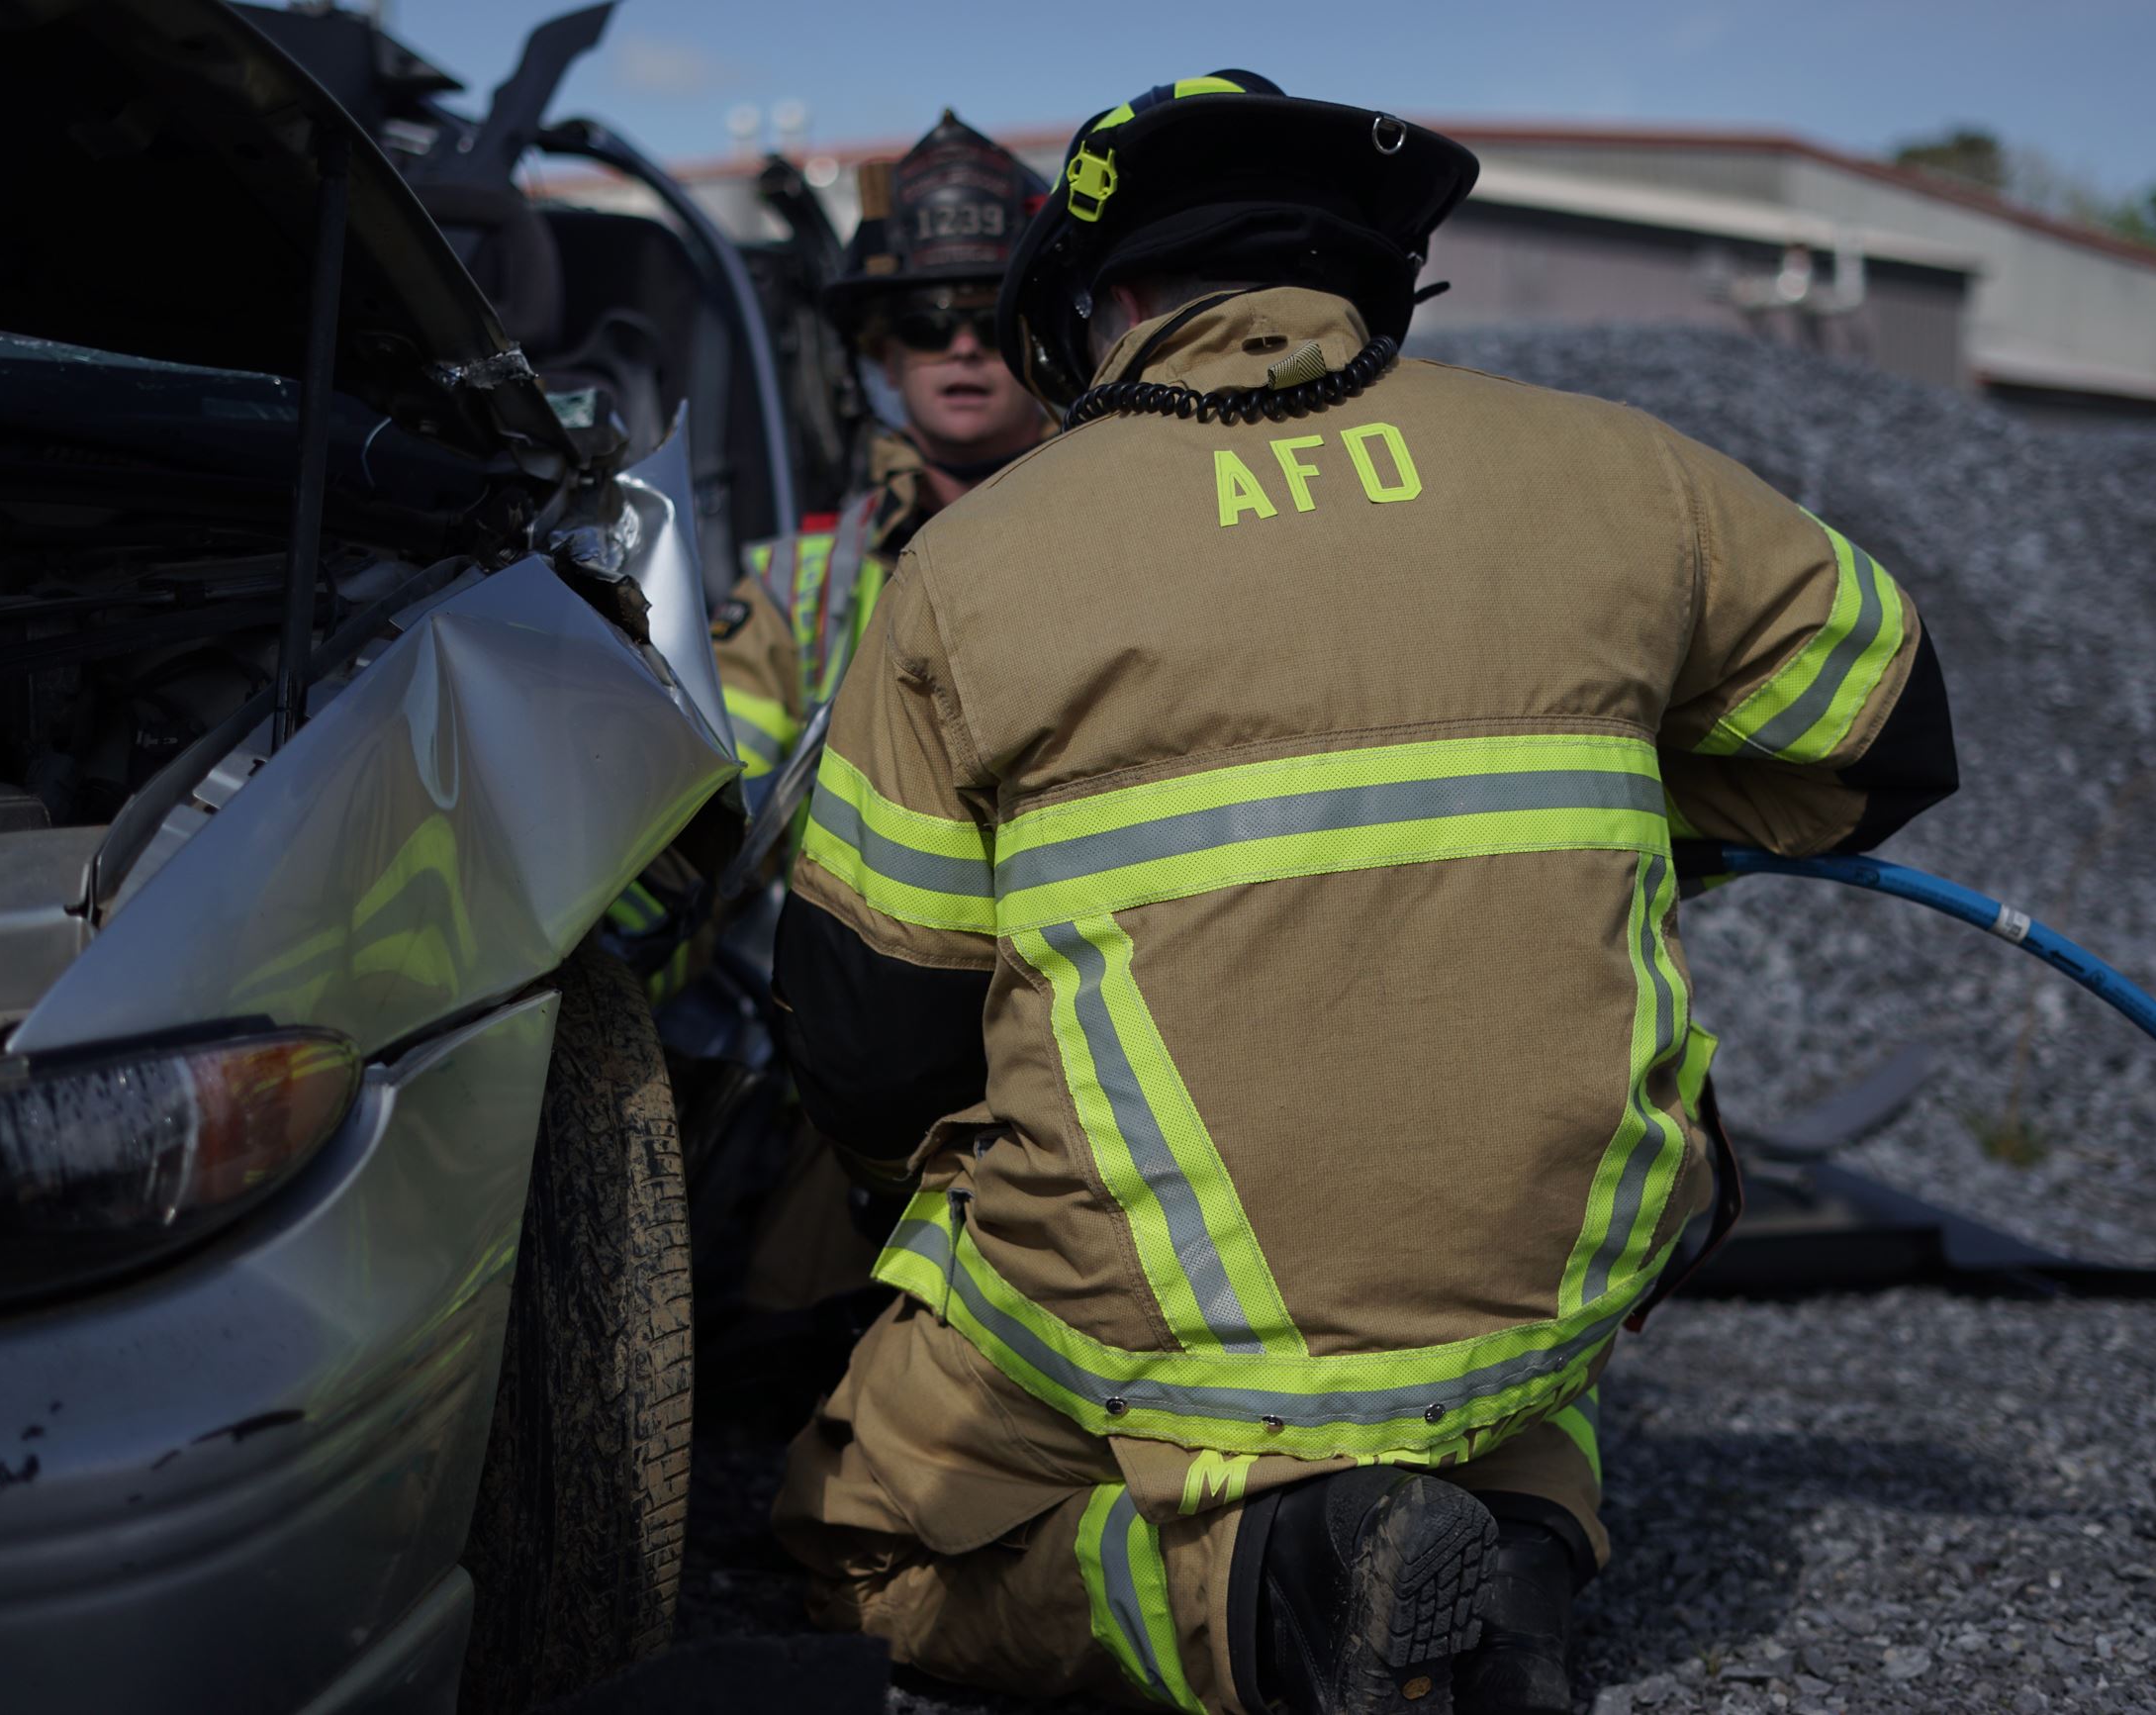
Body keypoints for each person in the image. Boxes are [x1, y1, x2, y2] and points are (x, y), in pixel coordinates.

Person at [767, 72, 1957, 1715]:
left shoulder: (968, 573)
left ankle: (1265, 1596)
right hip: (1554, 1275)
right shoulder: (1633, 479)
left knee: (857, 1539)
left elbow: (876, 1037)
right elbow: (1885, 738)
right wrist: (1599, 803)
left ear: (1107, 304)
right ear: (1365, 270)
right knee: (1472, 1352)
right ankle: (1518, 1534)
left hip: (1176, 1312)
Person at [709, 109, 1056, 791]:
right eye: (926, 325)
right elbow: (713, 791)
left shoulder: (1121, 530)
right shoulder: (796, 589)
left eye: (989, 323)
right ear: (884, 358)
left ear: (1036, 348)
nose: (960, 347)